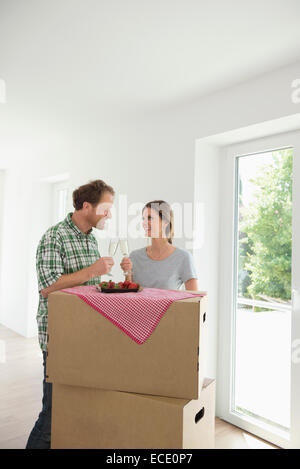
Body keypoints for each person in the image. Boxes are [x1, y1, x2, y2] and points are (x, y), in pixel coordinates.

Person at [26, 179, 115, 449]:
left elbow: (87, 286)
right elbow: (48, 286)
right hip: (60, 337)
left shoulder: (91, 239)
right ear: (86, 206)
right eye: (105, 208)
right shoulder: (54, 236)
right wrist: (92, 271)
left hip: (88, 336)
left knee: (80, 410)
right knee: (53, 415)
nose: (108, 215)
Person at [121, 200, 198, 291]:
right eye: (143, 219)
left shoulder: (183, 257)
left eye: (150, 218)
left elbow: (194, 298)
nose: (144, 223)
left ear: (165, 222)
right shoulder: (135, 256)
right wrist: (127, 273)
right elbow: (129, 295)